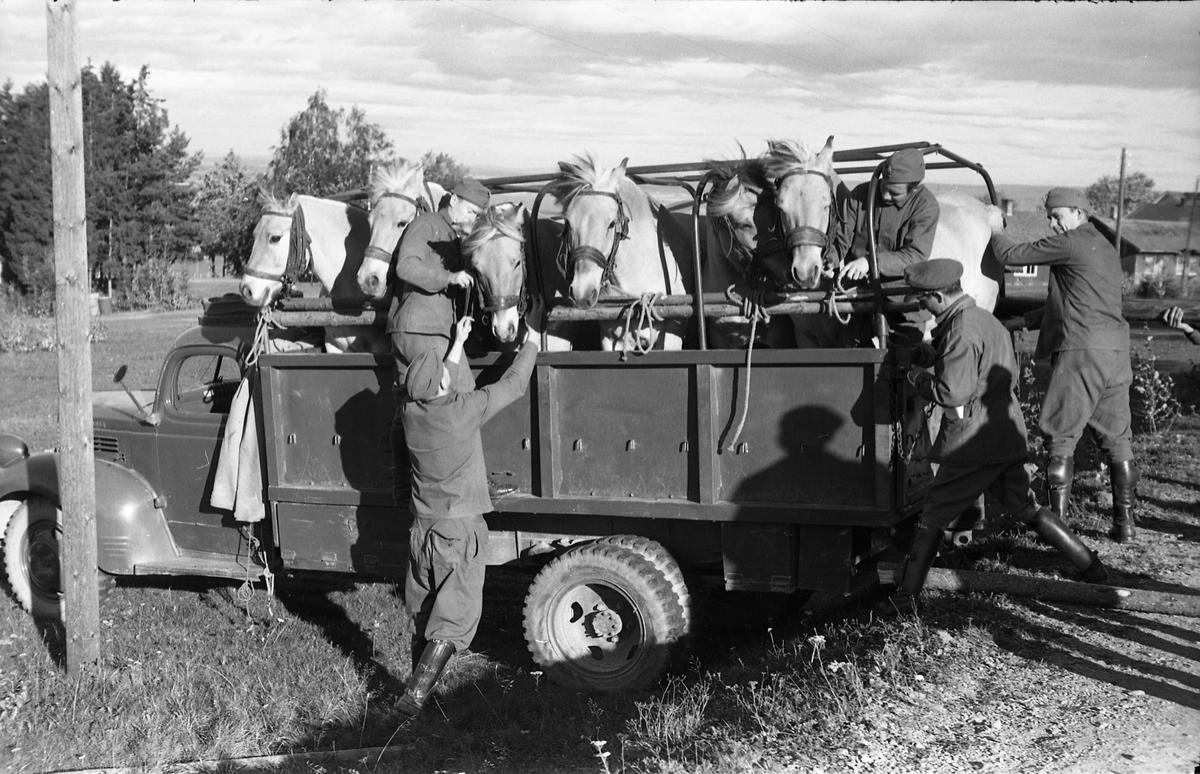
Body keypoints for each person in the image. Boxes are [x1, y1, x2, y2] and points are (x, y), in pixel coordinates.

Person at [883, 259, 1108, 615]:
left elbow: (953, 392)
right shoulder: (984, 320)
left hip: (975, 442)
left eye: (923, 301)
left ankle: (905, 599)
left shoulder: (960, 330)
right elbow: (980, 366)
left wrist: (916, 378)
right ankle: (1093, 568)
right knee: (1025, 506)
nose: (921, 308)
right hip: (1005, 435)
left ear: (939, 296)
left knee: (934, 514)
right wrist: (935, 353)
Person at [395, 297, 544, 716]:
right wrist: (530, 343)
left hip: (421, 530)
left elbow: (439, 385)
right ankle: (414, 699)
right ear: (443, 386)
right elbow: (513, 385)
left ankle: (419, 695)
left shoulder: (410, 414)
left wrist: (457, 344)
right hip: (458, 531)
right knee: (455, 617)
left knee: (425, 611)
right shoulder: (462, 412)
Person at [992, 187, 1138, 543]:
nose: (1053, 223)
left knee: (1060, 438)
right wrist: (1021, 321)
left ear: (1078, 213)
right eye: (1050, 217)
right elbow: (1074, 303)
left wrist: (992, 225)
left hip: (1082, 353)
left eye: (1058, 216)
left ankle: (1058, 533)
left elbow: (1011, 254)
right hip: (1116, 354)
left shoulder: (1072, 242)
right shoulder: (1104, 248)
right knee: (1118, 442)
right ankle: (1125, 525)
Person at [386, 178, 515, 500]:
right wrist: (449, 277)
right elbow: (405, 266)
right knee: (462, 395)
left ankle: (405, 481)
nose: (473, 220)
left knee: (415, 404)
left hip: (430, 328)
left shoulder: (452, 234)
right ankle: (473, 483)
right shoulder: (427, 225)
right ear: (453, 200)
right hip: (420, 328)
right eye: (471, 212)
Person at [836, 147, 941, 346]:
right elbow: (840, 239)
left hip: (901, 299)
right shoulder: (859, 195)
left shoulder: (926, 207)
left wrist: (870, 262)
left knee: (904, 361)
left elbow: (915, 255)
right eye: (884, 185)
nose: (884, 195)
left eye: (894, 193)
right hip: (857, 297)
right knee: (849, 358)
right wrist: (829, 259)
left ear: (914, 189)